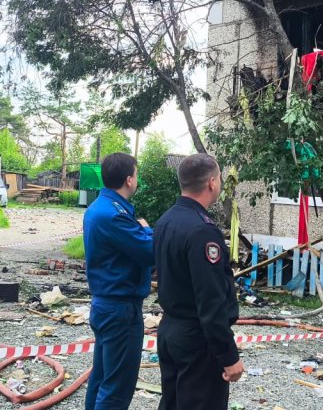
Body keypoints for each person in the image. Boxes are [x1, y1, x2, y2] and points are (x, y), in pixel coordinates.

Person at [153, 153, 244, 410]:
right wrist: (228, 355)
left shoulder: (167, 220)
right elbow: (211, 300)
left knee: (172, 403)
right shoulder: (202, 231)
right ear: (212, 182)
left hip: (170, 330)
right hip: (196, 339)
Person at [82, 152, 153, 410]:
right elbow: (149, 252)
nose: (137, 179)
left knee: (102, 379)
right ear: (129, 180)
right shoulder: (114, 215)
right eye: (136, 174)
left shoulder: (99, 208)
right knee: (117, 388)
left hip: (106, 306)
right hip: (120, 310)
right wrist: (147, 230)